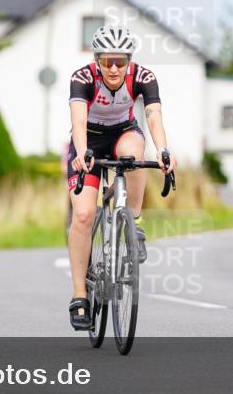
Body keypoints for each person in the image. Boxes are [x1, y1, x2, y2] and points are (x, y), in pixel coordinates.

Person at [65, 25, 176, 330]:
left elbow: (153, 115)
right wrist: (82, 151)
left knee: (134, 153)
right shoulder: (82, 78)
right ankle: (79, 296)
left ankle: (134, 223)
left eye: (120, 61)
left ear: (129, 60)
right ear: (97, 60)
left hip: (123, 133)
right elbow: (77, 120)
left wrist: (164, 150)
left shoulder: (144, 77)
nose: (114, 68)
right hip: (88, 139)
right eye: (107, 61)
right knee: (85, 215)